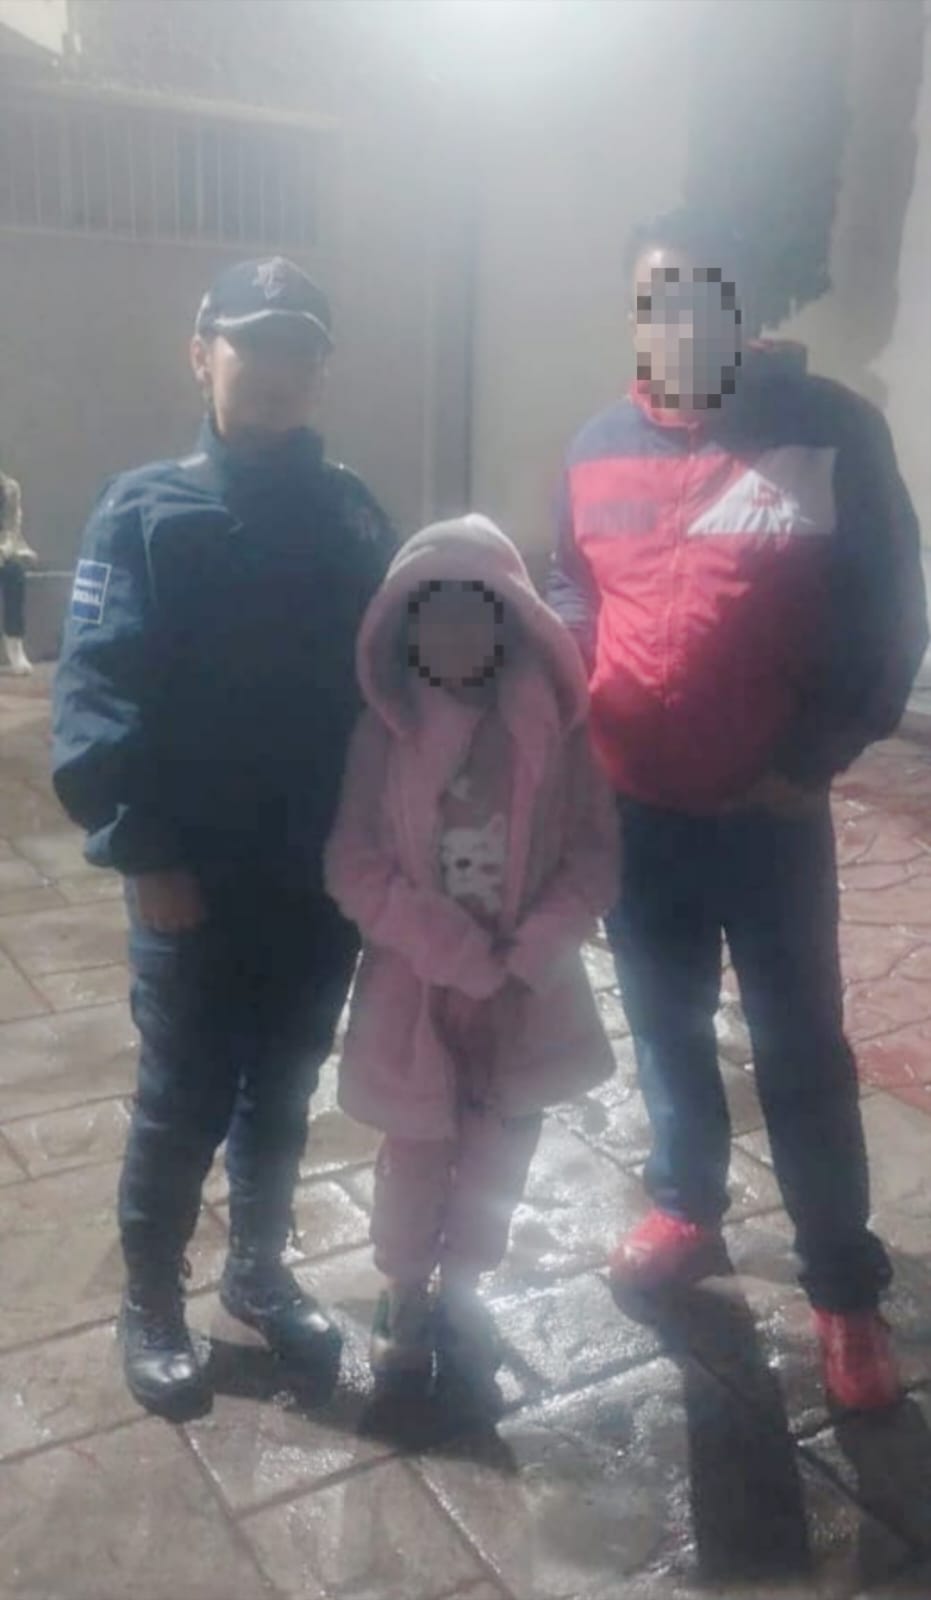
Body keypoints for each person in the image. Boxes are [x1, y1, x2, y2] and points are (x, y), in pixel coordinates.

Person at [548, 206, 928, 1413]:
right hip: (638, 813)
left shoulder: (828, 431)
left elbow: (888, 610)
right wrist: (567, 704)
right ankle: (686, 1207)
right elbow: (573, 586)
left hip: (770, 815)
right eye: (655, 296)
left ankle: (842, 1290)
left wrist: (815, 756)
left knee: (800, 1052)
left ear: (741, 307)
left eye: (702, 293)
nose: (679, 318)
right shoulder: (593, 446)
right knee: (664, 1030)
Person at [52, 257, 397, 1418]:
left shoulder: (352, 511)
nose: (278, 367)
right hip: (191, 880)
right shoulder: (144, 510)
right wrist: (144, 849)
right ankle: (152, 1295)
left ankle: (256, 1270)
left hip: (319, 873)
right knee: (183, 1096)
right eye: (255, 342)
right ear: (201, 353)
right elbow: (97, 691)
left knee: (285, 1088)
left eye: (301, 347)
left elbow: (400, 673)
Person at [324, 514, 618, 1389]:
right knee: (416, 1144)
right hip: (417, 991)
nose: (452, 632)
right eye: (432, 614)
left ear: (512, 621)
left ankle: (463, 1285)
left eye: (472, 611)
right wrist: (451, 951)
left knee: (502, 1142)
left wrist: (529, 953)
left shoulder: (556, 734)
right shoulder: (384, 733)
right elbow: (354, 864)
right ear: (401, 627)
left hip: (529, 992)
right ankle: (404, 1285)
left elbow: (592, 858)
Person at [0, 469, 38, 675]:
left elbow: (11, 529)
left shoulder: (9, 488)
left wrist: (3, 551)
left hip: (3, 552)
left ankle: (14, 645)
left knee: (14, 572)